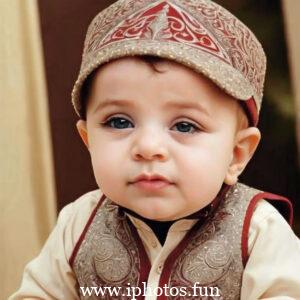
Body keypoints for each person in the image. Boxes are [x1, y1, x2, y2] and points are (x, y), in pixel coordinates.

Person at [10, 0, 300, 299]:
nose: (148, 148)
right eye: (119, 121)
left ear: (237, 154)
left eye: (185, 126)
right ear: (89, 141)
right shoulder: (79, 222)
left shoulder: (258, 231)